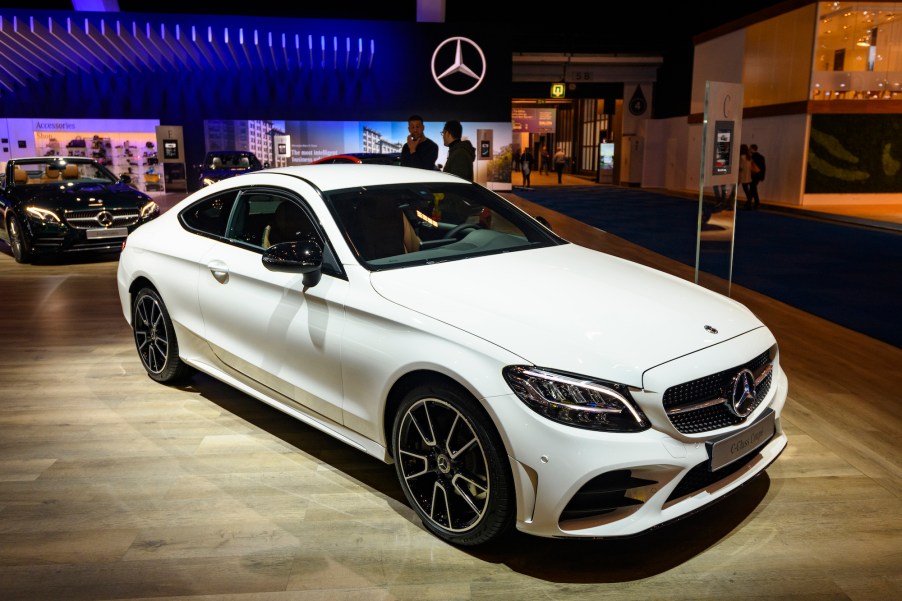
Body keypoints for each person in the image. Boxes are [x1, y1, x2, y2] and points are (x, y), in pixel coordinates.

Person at [749, 143, 766, 210]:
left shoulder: (751, 157)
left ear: (752, 149)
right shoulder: (761, 157)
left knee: (753, 188)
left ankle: (755, 202)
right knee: (753, 188)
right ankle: (751, 202)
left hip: (752, 175)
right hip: (758, 175)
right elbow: (763, 168)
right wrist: (762, 176)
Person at [738, 143, 754, 209]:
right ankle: (749, 203)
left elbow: (740, 167)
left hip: (741, 176)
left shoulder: (742, 157)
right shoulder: (749, 157)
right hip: (748, 177)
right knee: (747, 191)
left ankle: (730, 202)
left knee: (735, 189)